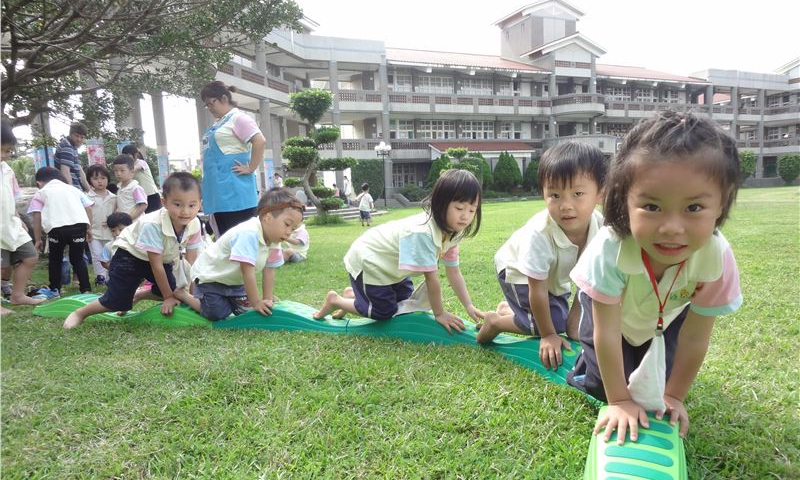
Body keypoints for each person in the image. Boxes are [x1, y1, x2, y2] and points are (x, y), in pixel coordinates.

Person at [567, 111, 742, 444]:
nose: (672, 228)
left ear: (721, 203)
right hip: (609, 315)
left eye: (693, 208)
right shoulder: (610, 248)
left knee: (654, 389)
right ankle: (584, 365)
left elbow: (694, 338)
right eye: (651, 207)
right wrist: (619, 401)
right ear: (624, 199)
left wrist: (674, 395)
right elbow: (608, 332)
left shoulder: (716, 258)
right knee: (604, 387)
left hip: (665, 320)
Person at [476, 141, 607, 371]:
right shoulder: (540, 233)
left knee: (563, 319)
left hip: (551, 276)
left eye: (577, 194)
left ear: (600, 193)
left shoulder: (602, 228)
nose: (565, 206)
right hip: (516, 270)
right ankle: (495, 321)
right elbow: (536, 289)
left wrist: (575, 327)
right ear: (543, 194)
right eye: (555, 195)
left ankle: (511, 312)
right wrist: (548, 335)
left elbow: (587, 281)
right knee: (552, 323)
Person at [314, 169, 485, 332]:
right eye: (459, 208)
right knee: (383, 312)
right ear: (441, 204)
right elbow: (432, 279)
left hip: (392, 266)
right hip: (370, 261)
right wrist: (439, 314)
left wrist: (469, 305)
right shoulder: (423, 233)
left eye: (472, 210)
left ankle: (353, 295)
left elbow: (453, 271)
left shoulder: (454, 232)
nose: (466, 216)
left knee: (404, 304)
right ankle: (336, 301)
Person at [64, 172, 203, 329]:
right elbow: (156, 266)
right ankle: (80, 313)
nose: (185, 211)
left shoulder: (195, 224)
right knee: (117, 301)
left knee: (175, 290)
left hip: (159, 258)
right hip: (129, 255)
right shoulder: (153, 224)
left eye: (192, 205)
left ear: (200, 204)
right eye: (178, 205)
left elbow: (192, 262)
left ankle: (139, 294)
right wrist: (168, 297)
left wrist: (192, 296)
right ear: (164, 202)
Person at [175, 188, 304, 321]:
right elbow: (247, 272)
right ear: (268, 218)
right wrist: (256, 303)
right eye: (287, 224)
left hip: (234, 283)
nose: (289, 232)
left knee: (243, 311)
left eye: (293, 229)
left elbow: (269, 271)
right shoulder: (248, 233)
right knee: (217, 313)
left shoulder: (274, 239)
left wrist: (267, 299)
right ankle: (184, 295)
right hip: (210, 278)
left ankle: (227, 301)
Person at [200, 81, 266, 236]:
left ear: (224, 98)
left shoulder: (239, 118)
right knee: (224, 239)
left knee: (240, 238)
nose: (209, 108)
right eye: (206, 105)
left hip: (235, 191)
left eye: (211, 103)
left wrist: (251, 167)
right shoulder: (220, 122)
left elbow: (260, 141)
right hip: (219, 192)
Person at [27, 166, 94, 296]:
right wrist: (89, 228)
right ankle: (86, 289)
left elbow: (36, 215)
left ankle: (55, 289)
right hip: (78, 226)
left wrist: (38, 240)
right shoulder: (73, 189)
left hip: (56, 229)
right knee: (78, 259)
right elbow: (89, 207)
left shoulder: (41, 193)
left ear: (39, 183)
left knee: (55, 259)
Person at [1, 120, 41, 313]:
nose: (4, 155)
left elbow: (10, 197)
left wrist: (17, 217)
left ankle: (17, 295)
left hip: (10, 224)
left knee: (30, 256)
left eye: (8, 151)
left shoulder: (7, 170)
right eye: (1, 149)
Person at [85, 164, 117, 286]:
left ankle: (111, 276)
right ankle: (101, 277)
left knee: (110, 254)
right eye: (95, 178)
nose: (100, 181)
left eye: (103, 178)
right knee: (97, 255)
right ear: (90, 181)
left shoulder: (114, 197)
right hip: (94, 233)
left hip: (111, 233)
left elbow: (117, 212)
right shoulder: (87, 197)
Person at [121, 144, 161, 213]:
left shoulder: (141, 162)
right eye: (125, 155)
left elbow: (135, 169)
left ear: (135, 155)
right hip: (140, 197)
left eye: (128, 155)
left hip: (151, 195)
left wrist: (122, 169)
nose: (126, 158)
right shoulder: (127, 167)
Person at [54, 122, 90, 191]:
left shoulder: (72, 147)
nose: (79, 139)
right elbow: (65, 172)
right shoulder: (67, 147)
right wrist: (71, 192)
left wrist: (89, 190)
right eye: (76, 136)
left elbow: (80, 171)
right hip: (70, 189)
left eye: (82, 137)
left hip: (75, 188)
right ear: (70, 134)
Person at [113, 154, 147, 220]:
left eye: (122, 170)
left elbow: (143, 205)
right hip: (124, 223)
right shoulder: (119, 188)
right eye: (116, 171)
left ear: (132, 172)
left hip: (136, 222)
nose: (118, 173)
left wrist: (129, 219)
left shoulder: (135, 188)